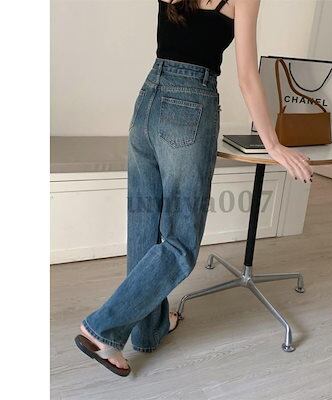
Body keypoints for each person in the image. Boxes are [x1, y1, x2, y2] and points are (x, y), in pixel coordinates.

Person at [74, 0, 313, 377]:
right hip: (190, 107)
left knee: (144, 229)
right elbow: (247, 77)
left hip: (147, 100)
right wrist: (273, 144)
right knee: (180, 243)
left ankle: (149, 331)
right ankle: (102, 329)